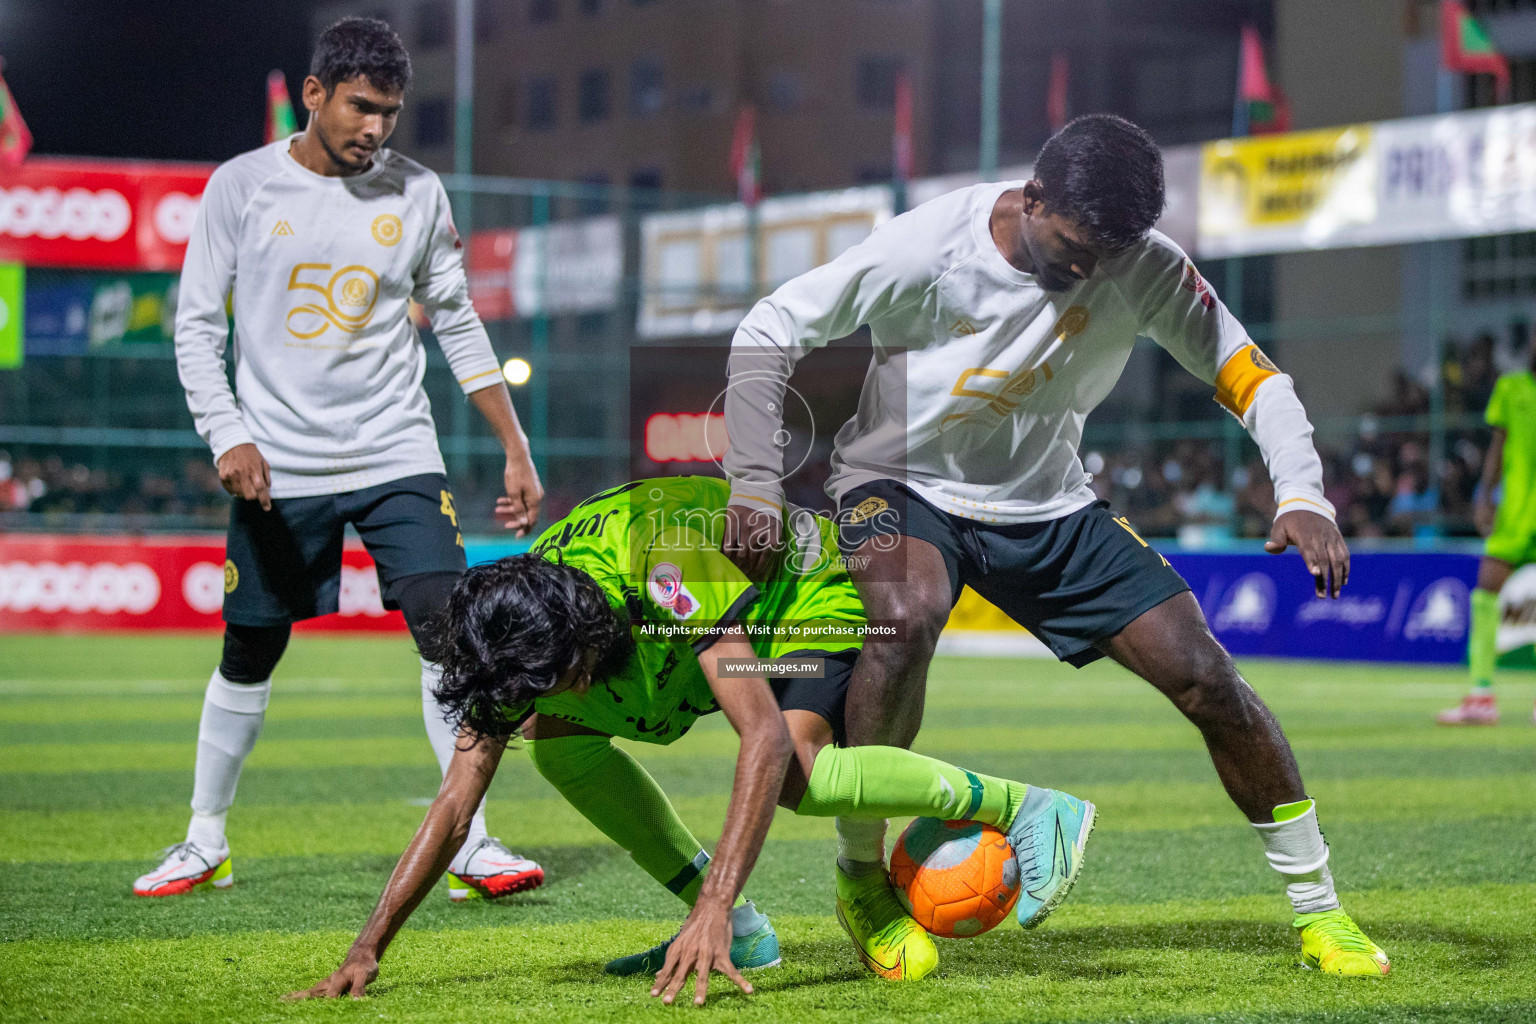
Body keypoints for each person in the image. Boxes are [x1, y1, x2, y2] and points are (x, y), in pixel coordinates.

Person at [720, 114, 1388, 978]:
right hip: (898, 483)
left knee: (1208, 676)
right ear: (1032, 199)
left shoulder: (1140, 262)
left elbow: (1254, 376)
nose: (1089, 271)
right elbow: (768, 328)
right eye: (1074, 245)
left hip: (1049, 505)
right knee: (906, 613)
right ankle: (862, 874)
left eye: (1109, 253)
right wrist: (751, 480)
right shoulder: (925, 250)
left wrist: (1302, 493)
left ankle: (1320, 911)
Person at [290, 476, 1094, 1005]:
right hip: (660, 642)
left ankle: (1030, 806)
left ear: (580, 644)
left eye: (550, 679)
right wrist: (368, 948)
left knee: (804, 774)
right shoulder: (522, 624)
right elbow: (456, 805)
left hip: (798, 603)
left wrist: (702, 910)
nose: (534, 698)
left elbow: (762, 739)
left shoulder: (666, 568)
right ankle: (745, 927)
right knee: (554, 738)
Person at [134, 17, 545, 902]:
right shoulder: (240, 188)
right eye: (361, 107)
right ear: (315, 94)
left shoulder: (418, 192)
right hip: (278, 462)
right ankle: (205, 839)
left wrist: (515, 446)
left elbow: (459, 321)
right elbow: (198, 329)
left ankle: (468, 839)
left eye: (390, 114)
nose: (375, 129)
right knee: (251, 647)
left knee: (450, 631)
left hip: (397, 448)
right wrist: (229, 434)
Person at [1438, 343, 1536, 725]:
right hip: (1514, 512)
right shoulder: (1511, 387)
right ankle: (1481, 697)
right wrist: (1484, 497)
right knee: (1485, 593)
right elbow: (1497, 448)